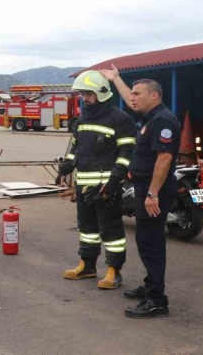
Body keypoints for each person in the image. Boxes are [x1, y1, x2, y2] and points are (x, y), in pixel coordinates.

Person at [101, 65, 180, 319]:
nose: (132, 98)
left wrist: (152, 194)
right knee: (146, 240)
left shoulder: (163, 120)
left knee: (151, 243)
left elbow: (164, 159)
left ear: (154, 96)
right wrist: (116, 80)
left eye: (137, 93)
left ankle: (157, 300)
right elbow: (128, 98)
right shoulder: (149, 117)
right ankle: (150, 286)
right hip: (145, 187)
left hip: (154, 189)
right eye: (132, 93)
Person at [57, 71, 136, 290]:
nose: (84, 98)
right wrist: (66, 167)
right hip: (83, 187)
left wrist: (112, 183)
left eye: (88, 94)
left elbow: (126, 153)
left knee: (111, 231)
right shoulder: (82, 120)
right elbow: (76, 148)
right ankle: (87, 265)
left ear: (101, 93)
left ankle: (113, 271)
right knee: (87, 228)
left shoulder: (120, 119)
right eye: (82, 94)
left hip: (106, 188)